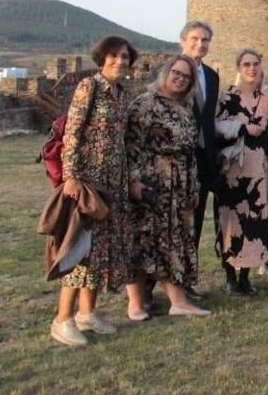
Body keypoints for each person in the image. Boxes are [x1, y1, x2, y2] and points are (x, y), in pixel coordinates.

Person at [48, 36, 137, 347]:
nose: (119, 62)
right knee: (80, 247)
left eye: (124, 57)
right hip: (87, 180)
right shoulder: (90, 87)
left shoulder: (124, 94)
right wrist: (71, 176)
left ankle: (87, 313)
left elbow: (126, 140)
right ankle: (62, 320)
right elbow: (73, 130)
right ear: (102, 58)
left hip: (114, 181)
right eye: (113, 56)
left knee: (100, 248)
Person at [125, 55, 209, 318]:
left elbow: (190, 150)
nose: (180, 78)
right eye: (177, 72)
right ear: (166, 72)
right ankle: (136, 303)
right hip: (153, 183)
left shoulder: (184, 107)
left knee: (175, 241)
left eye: (186, 76)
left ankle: (178, 301)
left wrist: (193, 186)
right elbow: (131, 145)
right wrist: (134, 180)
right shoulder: (145, 104)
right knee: (145, 240)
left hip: (180, 183)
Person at [213, 49, 268, 297]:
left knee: (254, 222)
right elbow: (215, 127)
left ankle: (246, 276)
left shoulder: (267, 100)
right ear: (238, 67)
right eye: (247, 64)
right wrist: (242, 127)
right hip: (233, 170)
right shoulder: (227, 98)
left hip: (258, 168)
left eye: (256, 64)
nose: (252, 68)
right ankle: (229, 275)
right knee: (230, 222)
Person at [179, 20, 219, 285]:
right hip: (175, 161)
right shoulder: (170, 72)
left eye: (205, 40)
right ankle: (150, 291)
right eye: (194, 39)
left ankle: (187, 282)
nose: (200, 44)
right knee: (170, 225)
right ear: (182, 41)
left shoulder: (212, 76)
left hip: (202, 161)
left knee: (194, 225)